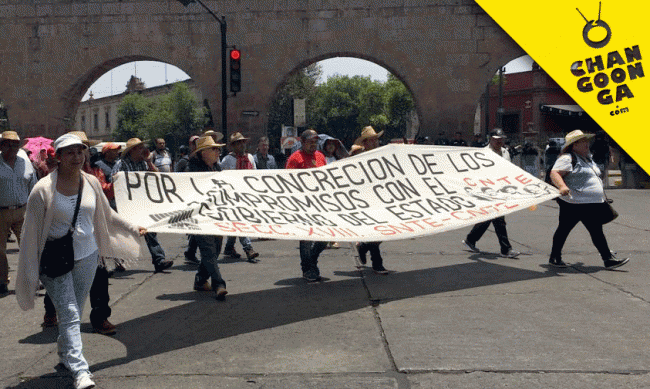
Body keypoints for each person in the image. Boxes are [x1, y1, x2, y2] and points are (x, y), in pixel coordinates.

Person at [15, 133, 147, 389]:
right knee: (71, 313)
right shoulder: (42, 190)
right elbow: (30, 233)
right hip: (54, 261)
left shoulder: (91, 183)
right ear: (59, 157)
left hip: (87, 257)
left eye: (80, 152)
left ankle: (65, 354)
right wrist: (30, 269)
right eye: (70, 152)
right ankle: (80, 371)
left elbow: (106, 214)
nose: (76, 157)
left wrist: (132, 226)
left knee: (72, 310)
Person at [548, 130, 629, 269]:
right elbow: (554, 173)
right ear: (574, 145)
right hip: (573, 203)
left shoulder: (587, 158)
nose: (587, 144)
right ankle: (555, 257)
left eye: (586, 140)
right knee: (563, 230)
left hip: (590, 204)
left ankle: (608, 259)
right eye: (582, 141)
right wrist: (562, 186)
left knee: (596, 231)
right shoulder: (567, 158)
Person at [112, 138, 173, 272]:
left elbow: (156, 175)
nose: (143, 150)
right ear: (132, 150)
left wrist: (149, 162)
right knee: (124, 232)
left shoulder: (143, 164)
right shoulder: (121, 164)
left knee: (149, 230)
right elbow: (114, 185)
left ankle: (159, 260)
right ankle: (118, 259)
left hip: (140, 203)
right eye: (140, 148)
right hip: (125, 204)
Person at [462, 129, 521, 258]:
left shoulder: (505, 152)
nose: (499, 141)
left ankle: (470, 240)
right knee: (499, 220)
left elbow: (508, 170)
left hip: (501, 189)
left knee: (489, 218)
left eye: (501, 139)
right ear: (490, 139)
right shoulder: (483, 153)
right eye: (496, 139)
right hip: (487, 190)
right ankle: (506, 249)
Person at [186, 136, 229, 299]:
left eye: (218, 149)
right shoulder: (192, 170)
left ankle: (200, 280)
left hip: (216, 216)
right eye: (214, 149)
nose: (218, 152)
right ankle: (219, 284)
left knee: (216, 249)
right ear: (203, 153)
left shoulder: (217, 169)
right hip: (199, 217)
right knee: (209, 251)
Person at [285, 129, 329, 281]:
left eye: (315, 141)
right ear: (302, 143)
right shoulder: (295, 159)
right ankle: (307, 269)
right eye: (310, 141)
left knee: (325, 237)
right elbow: (288, 183)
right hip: (303, 205)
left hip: (320, 204)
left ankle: (312, 261)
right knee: (306, 239)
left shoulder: (321, 157)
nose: (313, 144)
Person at [0, 131, 38, 294]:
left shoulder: (25, 162)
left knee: (28, 246)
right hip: (1, 212)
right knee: (0, 250)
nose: (12, 147)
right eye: (8, 144)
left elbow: (33, 185)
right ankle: (2, 281)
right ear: (1, 146)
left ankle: (32, 280)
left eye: (15, 144)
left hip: (23, 210)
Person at [352, 126, 391, 274]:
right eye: (372, 140)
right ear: (365, 143)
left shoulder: (382, 155)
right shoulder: (358, 157)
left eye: (376, 140)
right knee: (375, 230)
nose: (375, 142)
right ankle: (377, 263)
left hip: (381, 197)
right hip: (366, 198)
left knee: (387, 230)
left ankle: (363, 246)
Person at [220, 132, 260, 262]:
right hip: (232, 196)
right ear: (233, 145)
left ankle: (229, 247)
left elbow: (255, 174)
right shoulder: (227, 160)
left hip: (247, 194)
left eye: (243, 142)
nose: (242, 145)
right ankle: (248, 248)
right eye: (238, 143)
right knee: (240, 221)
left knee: (236, 222)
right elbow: (221, 177)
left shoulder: (250, 157)